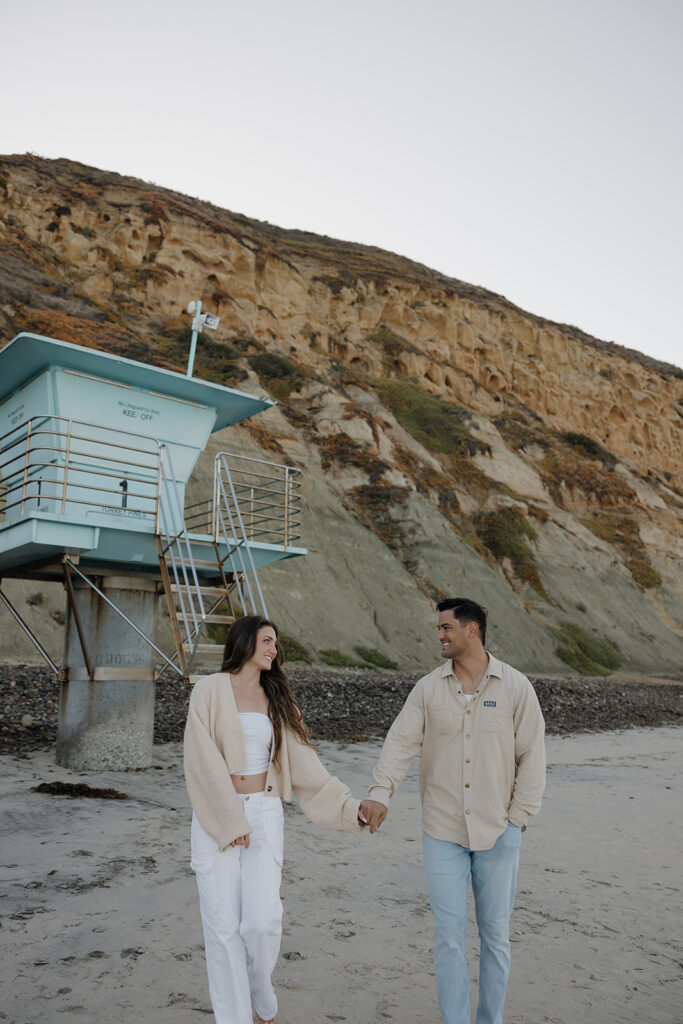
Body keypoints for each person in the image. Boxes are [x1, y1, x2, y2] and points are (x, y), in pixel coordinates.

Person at [359, 597, 546, 1024]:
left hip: (498, 831)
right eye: (439, 628)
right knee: (448, 938)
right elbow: (400, 744)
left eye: (446, 628)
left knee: (495, 937)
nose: (439, 635)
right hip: (442, 831)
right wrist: (380, 793)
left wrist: (517, 821)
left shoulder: (516, 687)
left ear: (471, 630)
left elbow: (533, 758)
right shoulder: (427, 689)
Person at [184, 615, 364, 1024]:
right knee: (222, 930)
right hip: (216, 817)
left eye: (276, 643)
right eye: (267, 641)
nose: (274, 649)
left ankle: (261, 991)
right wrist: (230, 821)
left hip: (264, 815)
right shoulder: (209, 690)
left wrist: (348, 807)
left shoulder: (277, 697)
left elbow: (305, 765)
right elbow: (201, 759)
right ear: (245, 642)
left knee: (262, 922)